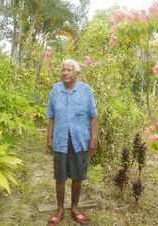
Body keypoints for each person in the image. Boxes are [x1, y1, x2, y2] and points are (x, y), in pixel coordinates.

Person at [46, 59, 98, 225]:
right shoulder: (55, 90)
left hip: (80, 140)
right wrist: (49, 138)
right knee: (60, 177)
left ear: (77, 73)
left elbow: (93, 117)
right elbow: (52, 117)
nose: (65, 73)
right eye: (63, 70)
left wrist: (93, 139)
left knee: (78, 176)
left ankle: (75, 208)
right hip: (60, 140)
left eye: (69, 70)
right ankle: (60, 209)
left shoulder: (85, 90)